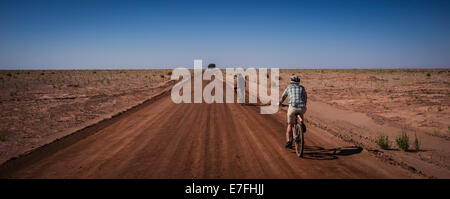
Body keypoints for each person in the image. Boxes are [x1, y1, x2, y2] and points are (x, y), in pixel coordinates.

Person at [279, 76, 307, 149]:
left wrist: (279, 103)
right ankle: (301, 122)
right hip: (302, 107)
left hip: (292, 108)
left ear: (291, 82)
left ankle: (288, 141)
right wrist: (304, 104)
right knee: (300, 113)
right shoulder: (302, 88)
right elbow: (305, 97)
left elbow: (283, 96)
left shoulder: (289, 87)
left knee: (290, 124)